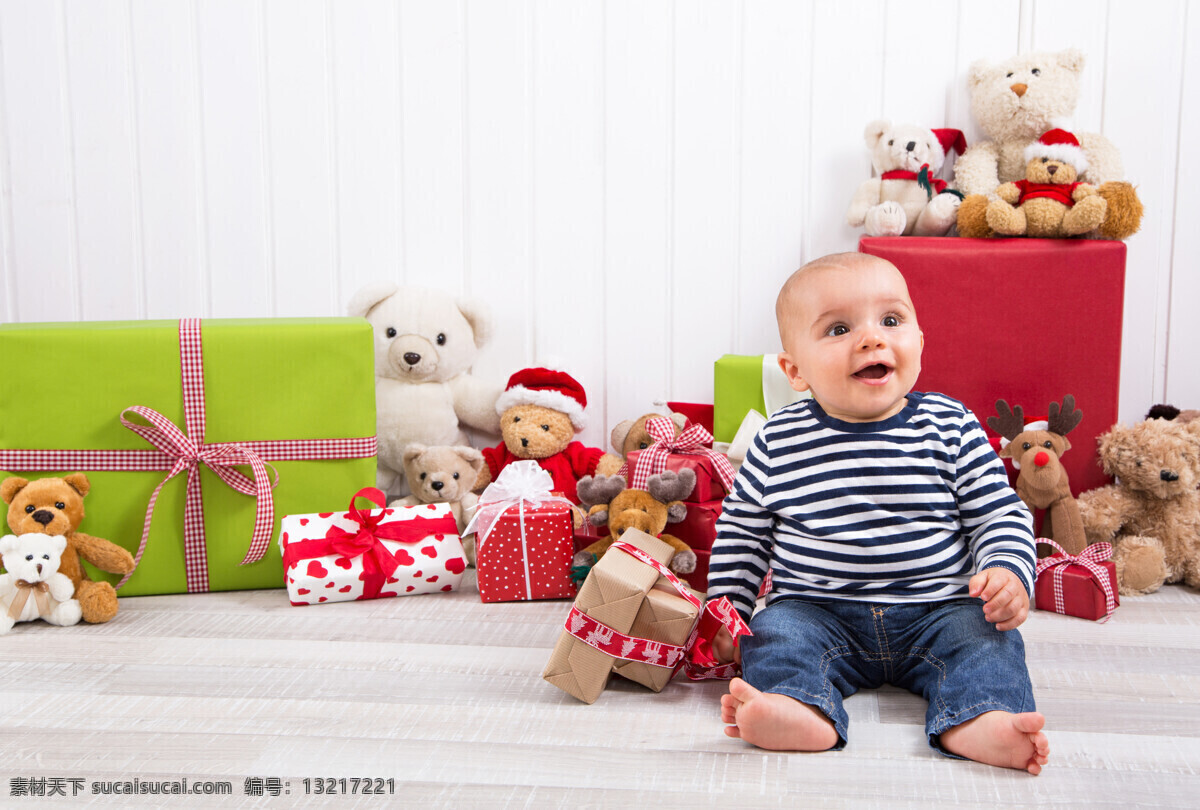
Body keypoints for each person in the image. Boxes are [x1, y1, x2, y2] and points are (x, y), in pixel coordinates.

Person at [708, 252, 1049, 774]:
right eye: (840, 328)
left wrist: (1006, 569)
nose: (872, 339)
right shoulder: (777, 439)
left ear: (918, 341)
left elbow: (997, 512)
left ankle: (982, 719)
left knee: (987, 643)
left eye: (891, 321)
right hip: (816, 611)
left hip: (941, 609)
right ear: (794, 370)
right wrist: (727, 608)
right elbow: (743, 533)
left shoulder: (950, 424)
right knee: (774, 634)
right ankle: (797, 707)